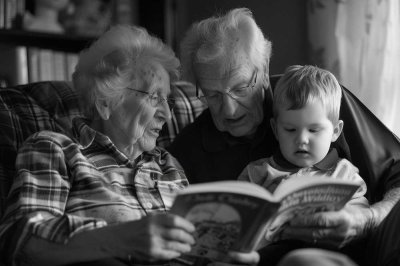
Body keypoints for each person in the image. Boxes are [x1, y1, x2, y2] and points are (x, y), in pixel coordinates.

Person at [0, 25, 259, 266]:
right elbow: (21, 241)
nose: (166, 115)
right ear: (105, 102)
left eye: (167, 101)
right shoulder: (55, 150)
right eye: (154, 97)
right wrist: (121, 238)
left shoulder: (168, 165)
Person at [167, 7, 400, 266]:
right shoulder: (187, 151)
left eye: (241, 87)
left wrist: (366, 220)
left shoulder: (314, 100)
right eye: (212, 94)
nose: (229, 109)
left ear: (264, 68)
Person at [238, 64, 370, 242]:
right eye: (290, 129)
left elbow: (360, 216)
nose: (301, 139)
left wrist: (346, 215)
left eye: (314, 130)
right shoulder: (257, 173)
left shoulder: (344, 174)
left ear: (335, 131)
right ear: (276, 130)